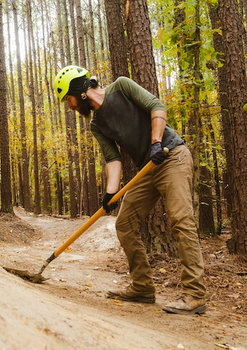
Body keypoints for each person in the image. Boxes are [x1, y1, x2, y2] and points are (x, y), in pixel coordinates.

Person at [53, 65, 206, 315]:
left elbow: (156, 106)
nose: (69, 106)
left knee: (180, 220)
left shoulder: (121, 87)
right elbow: (113, 159)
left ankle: (195, 295)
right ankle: (143, 287)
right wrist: (110, 192)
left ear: (79, 91)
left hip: (171, 155)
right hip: (148, 169)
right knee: (124, 224)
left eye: (67, 99)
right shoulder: (96, 124)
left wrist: (156, 142)